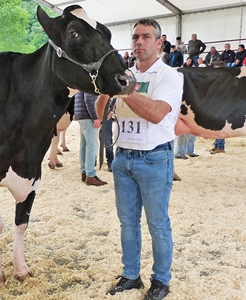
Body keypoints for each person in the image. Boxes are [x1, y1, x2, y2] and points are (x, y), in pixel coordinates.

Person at [96, 18, 183, 300]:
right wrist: (105, 85)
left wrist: (124, 88)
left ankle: (161, 281)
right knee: (127, 223)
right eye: (135, 37)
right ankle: (131, 275)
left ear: (159, 42)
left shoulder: (168, 76)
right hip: (123, 158)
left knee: (157, 224)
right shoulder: (126, 74)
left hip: (155, 158)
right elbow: (102, 113)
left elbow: (157, 113)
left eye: (146, 37)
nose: (139, 42)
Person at [74, 91, 107, 186]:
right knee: (92, 145)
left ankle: (84, 172)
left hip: (81, 114)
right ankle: (90, 175)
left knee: (84, 145)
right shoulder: (90, 79)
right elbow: (89, 99)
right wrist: (95, 117)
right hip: (88, 116)